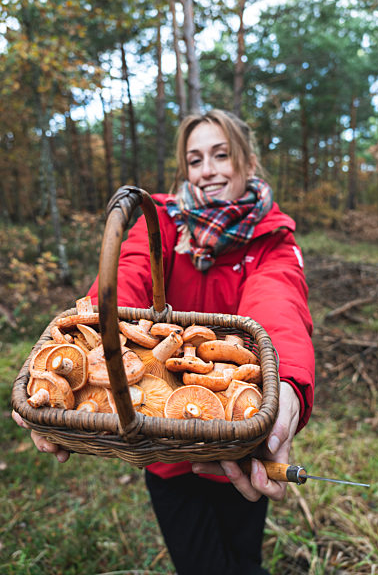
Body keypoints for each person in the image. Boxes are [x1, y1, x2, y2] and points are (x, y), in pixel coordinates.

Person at [13, 109, 315, 575]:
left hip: (239, 435)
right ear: (185, 169)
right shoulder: (163, 223)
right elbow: (128, 273)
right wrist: (83, 350)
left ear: (249, 162)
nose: (207, 170)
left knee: (243, 555)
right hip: (163, 447)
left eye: (221, 155)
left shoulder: (271, 240)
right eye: (195, 160)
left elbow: (278, 304)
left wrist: (289, 387)